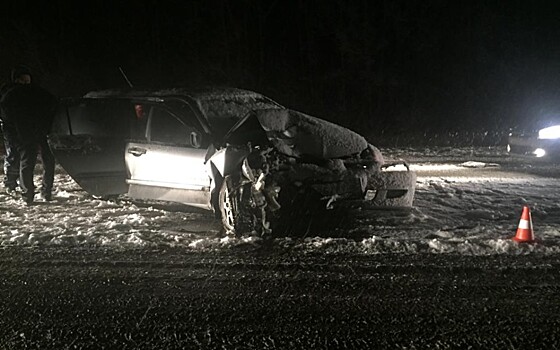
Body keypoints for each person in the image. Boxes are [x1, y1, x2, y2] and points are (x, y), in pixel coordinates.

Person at [0, 65, 57, 205]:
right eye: (22, 80)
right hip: (24, 133)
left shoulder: (31, 92)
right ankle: (24, 191)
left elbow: (52, 104)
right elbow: (7, 117)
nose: (26, 83)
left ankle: (41, 192)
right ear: (16, 80)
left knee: (44, 161)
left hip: (35, 131)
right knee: (23, 161)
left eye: (27, 80)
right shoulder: (10, 94)